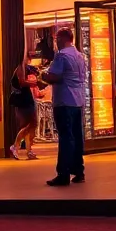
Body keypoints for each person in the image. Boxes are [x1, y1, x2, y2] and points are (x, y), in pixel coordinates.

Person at [42, 27, 87, 186]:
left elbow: (54, 77)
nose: (56, 43)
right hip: (78, 101)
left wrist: (43, 75)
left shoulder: (61, 56)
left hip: (64, 101)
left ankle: (63, 173)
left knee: (66, 137)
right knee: (76, 136)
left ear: (61, 39)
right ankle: (79, 170)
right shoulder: (80, 56)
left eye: (56, 40)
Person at [8, 53, 40, 160]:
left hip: (24, 99)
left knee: (29, 124)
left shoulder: (24, 68)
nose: (30, 58)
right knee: (31, 123)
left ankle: (28, 150)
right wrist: (34, 83)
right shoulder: (20, 68)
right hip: (24, 100)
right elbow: (22, 82)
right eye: (28, 56)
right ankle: (15, 146)